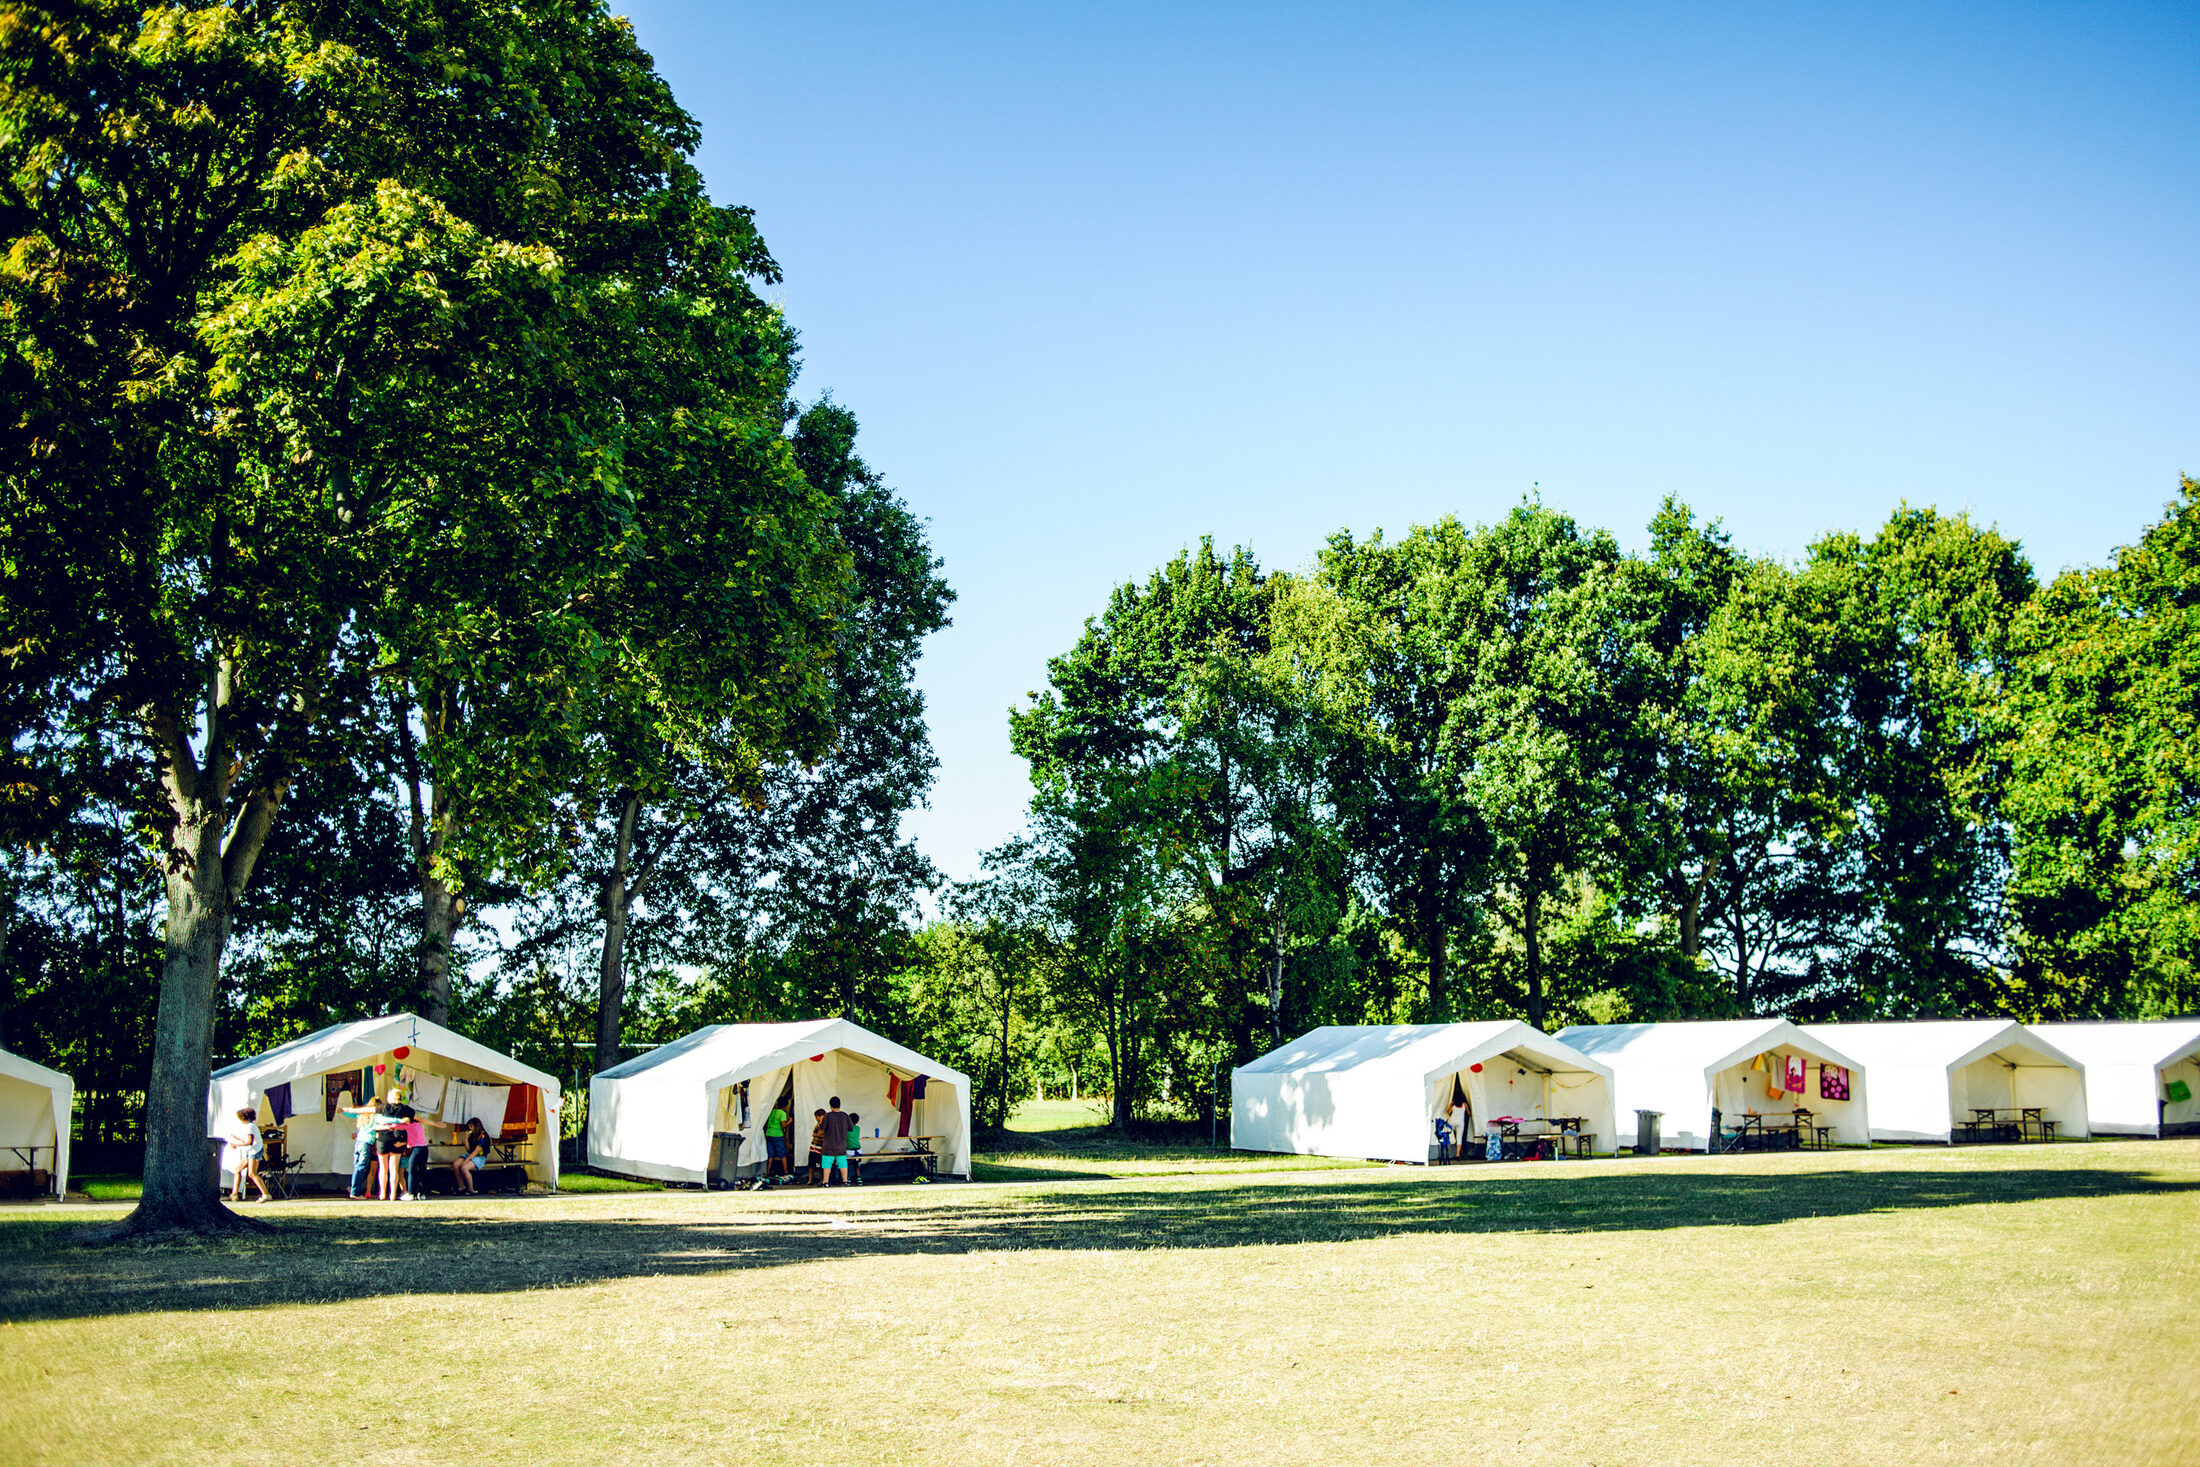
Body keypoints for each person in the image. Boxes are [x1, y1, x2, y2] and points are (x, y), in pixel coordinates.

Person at [374, 1086, 414, 1202]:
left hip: (383, 1138)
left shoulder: (382, 1108)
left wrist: (349, 1110)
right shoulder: (405, 1109)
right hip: (398, 1138)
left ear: (389, 1098)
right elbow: (416, 1119)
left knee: (383, 1168)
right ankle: (392, 1194)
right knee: (394, 1169)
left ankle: (382, 1193)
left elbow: (374, 1123)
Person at [338, 1093, 379, 1199]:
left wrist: (344, 1111)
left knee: (357, 1166)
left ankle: (353, 1189)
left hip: (359, 1142)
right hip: (366, 1143)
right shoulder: (375, 1116)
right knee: (361, 1166)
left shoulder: (362, 1115)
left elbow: (353, 1114)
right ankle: (355, 1192)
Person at [227, 1108, 272, 1203]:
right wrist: (237, 1138)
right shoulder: (251, 1125)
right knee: (237, 1170)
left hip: (254, 1151)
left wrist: (236, 1144)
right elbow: (247, 1140)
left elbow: (250, 1142)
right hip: (251, 1151)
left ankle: (266, 1194)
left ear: (245, 1118)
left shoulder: (250, 1127)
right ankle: (234, 1194)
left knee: (252, 1173)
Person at [817, 1096, 854, 1187]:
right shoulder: (845, 1115)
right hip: (841, 1145)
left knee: (826, 1164)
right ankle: (845, 1181)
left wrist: (821, 1120)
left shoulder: (828, 1116)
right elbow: (851, 1128)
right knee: (842, 1163)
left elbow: (821, 1127)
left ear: (830, 1105)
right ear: (839, 1105)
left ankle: (825, 1182)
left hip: (829, 1145)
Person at [450, 1117, 491, 1195]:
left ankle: (471, 1189)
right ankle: (461, 1187)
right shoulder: (472, 1135)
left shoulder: (483, 1135)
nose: (470, 1128)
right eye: (469, 1127)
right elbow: (468, 1150)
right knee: (455, 1164)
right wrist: (466, 1139)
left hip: (479, 1156)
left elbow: (477, 1151)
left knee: (464, 1168)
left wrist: (466, 1160)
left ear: (476, 1126)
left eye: (471, 1126)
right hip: (471, 1154)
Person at [402, 1110, 432, 1200]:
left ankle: (411, 1193)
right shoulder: (419, 1125)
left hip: (416, 1149)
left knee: (412, 1171)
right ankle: (423, 1193)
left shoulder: (407, 1126)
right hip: (424, 1148)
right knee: (422, 1170)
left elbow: (394, 1126)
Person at [762, 1099, 791, 1179]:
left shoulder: (772, 1111)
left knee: (770, 1154)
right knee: (782, 1153)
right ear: (785, 1106)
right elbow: (783, 1125)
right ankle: (786, 1171)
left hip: (768, 1133)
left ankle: (768, 1171)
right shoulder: (782, 1113)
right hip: (777, 1135)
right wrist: (790, 1121)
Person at [806, 1108, 827, 1185]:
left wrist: (817, 1135)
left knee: (820, 1164)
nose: (816, 1119)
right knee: (811, 1164)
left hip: (820, 1146)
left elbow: (825, 1135)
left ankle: (822, 1179)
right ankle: (810, 1179)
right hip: (813, 1146)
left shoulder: (824, 1124)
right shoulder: (818, 1125)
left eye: (816, 1117)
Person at [845, 1111, 862, 1185]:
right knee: (856, 1164)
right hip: (859, 1150)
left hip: (849, 1151)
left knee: (846, 1164)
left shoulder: (846, 1129)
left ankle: (847, 1178)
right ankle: (859, 1179)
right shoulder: (858, 1128)